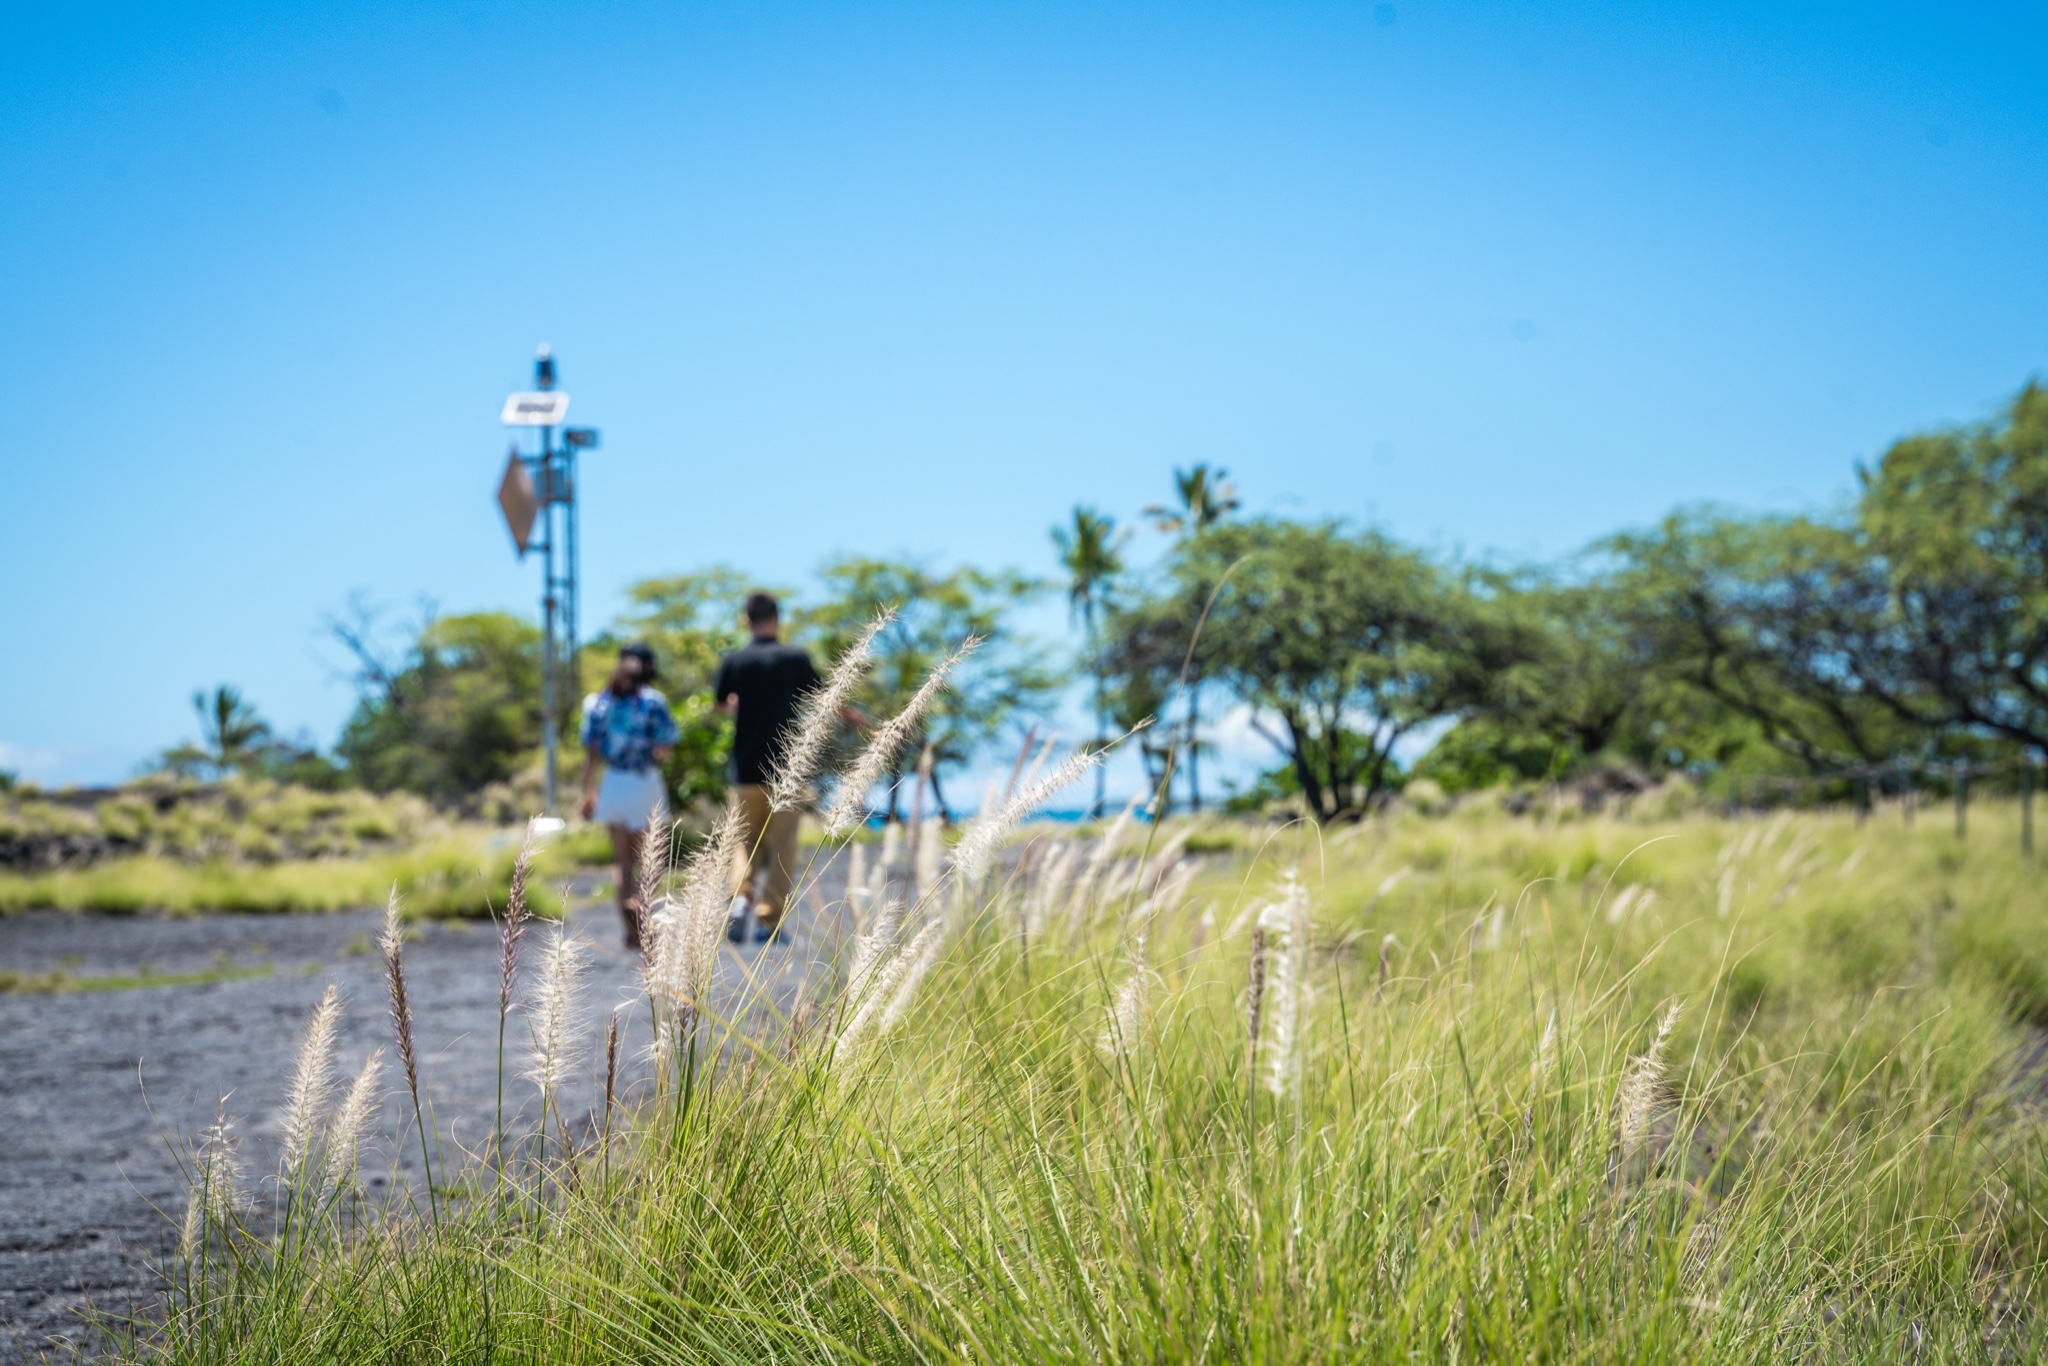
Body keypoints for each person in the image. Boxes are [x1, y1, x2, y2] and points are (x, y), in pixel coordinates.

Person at [713, 592, 863, 944]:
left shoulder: (734, 661)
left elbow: (721, 705)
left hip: (746, 769)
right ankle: (768, 922)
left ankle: (739, 901)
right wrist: (854, 716)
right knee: (781, 845)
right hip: (787, 770)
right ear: (778, 618)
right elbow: (826, 699)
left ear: (745, 621)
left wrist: (739, 704)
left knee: (744, 842)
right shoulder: (794, 658)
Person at [579, 642, 680, 950]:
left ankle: (630, 931)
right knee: (648, 862)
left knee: (623, 863)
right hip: (645, 783)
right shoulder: (653, 701)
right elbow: (665, 746)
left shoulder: (597, 703)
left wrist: (587, 792)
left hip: (613, 784)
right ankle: (646, 923)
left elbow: (591, 753)